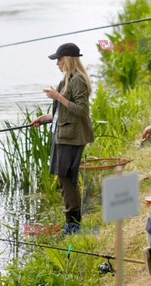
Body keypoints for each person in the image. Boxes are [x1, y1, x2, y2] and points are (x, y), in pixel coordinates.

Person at [32, 43, 94, 231]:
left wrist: (58, 97)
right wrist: (45, 118)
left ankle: (73, 224)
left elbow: (82, 111)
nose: (57, 63)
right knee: (64, 178)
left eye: (59, 59)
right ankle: (72, 222)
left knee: (68, 178)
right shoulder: (66, 79)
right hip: (63, 135)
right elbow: (64, 113)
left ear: (67, 59)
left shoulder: (78, 80)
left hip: (72, 137)